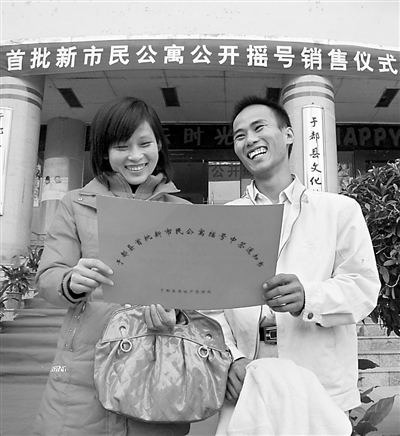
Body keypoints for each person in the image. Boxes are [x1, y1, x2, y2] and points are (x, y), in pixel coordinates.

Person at [216, 96, 380, 425]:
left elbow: (363, 288)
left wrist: (309, 297)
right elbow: (210, 304)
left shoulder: (338, 211)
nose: (250, 140)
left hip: (320, 385)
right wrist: (231, 358)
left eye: (259, 128)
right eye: (239, 135)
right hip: (249, 382)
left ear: (289, 134)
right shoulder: (224, 220)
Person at [33, 97, 191, 436]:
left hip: (157, 362)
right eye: (122, 146)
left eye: (145, 144)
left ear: (159, 145)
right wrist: (71, 281)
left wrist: (177, 314)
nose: (135, 156)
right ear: (105, 152)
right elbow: (48, 279)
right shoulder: (75, 204)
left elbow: (194, 292)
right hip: (84, 365)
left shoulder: (182, 211)